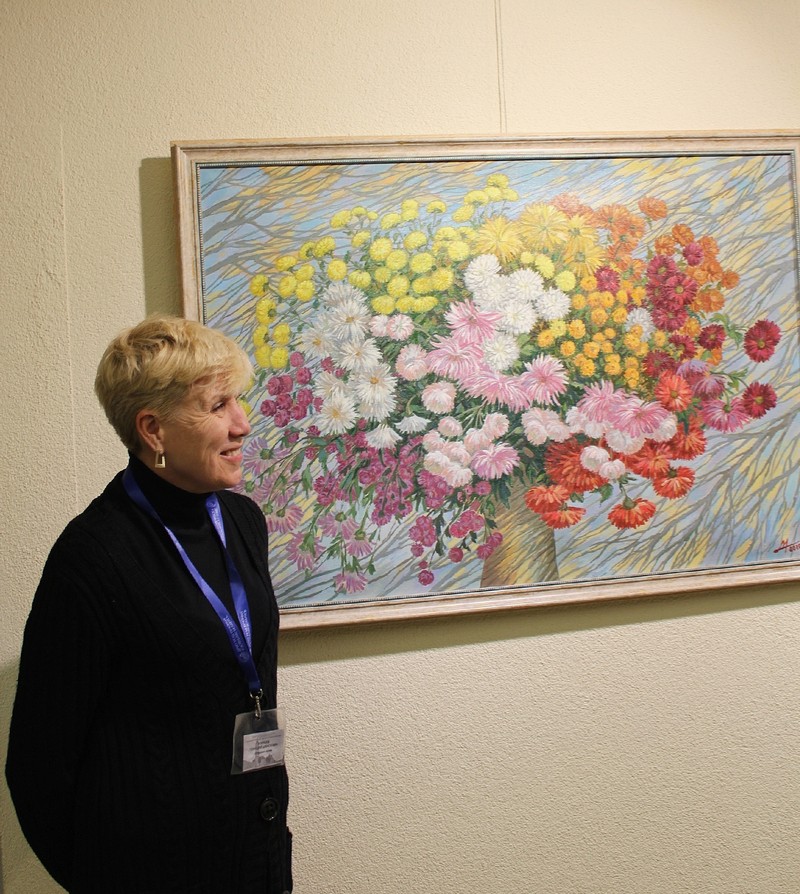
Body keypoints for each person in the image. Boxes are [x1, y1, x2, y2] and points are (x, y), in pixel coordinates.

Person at [6, 315, 292, 893]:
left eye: (237, 400)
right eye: (217, 406)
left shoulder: (243, 521)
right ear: (153, 430)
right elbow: (38, 766)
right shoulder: (94, 556)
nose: (243, 423)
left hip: (255, 856)